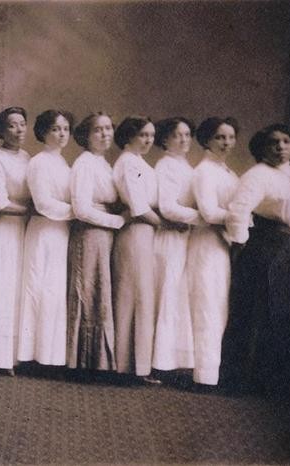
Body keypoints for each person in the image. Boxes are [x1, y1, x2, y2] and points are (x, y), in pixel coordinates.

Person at [223, 124, 290, 398]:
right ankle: (245, 379)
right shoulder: (257, 175)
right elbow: (237, 211)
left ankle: (279, 381)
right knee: (261, 312)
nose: (281, 147)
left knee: (285, 313)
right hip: (266, 248)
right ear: (261, 148)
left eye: (286, 141)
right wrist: (241, 247)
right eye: (273, 143)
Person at [67, 112, 124, 373]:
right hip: (90, 233)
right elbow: (81, 209)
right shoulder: (85, 163)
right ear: (86, 137)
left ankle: (99, 361)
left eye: (108, 128)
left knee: (101, 290)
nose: (105, 134)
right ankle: (83, 361)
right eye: (98, 130)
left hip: (104, 233)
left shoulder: (103, 163)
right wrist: (117, 222)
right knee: (87, 290)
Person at [18, 110, 75, 368]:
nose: (61, 134)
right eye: (55, 129)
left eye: (65, 128)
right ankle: (30, 355)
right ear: (42, 133)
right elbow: (43, 204)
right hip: (43, 232)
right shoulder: (39, 162)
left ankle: (49, 356)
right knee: (38, 288)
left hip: (60, 232)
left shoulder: (63, 163)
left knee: (53, 290)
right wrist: (79, 212)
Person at [187, 117, 240, 388]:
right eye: (220, 137)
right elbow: (208, 212)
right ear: (206, 140)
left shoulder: (228, 172)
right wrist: (240, 216)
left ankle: (215, 372)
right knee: (207, 306)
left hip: (223, 243)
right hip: (206, 244)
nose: (226, 143)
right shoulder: (204, 171)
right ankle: (204, 375)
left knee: (220, 306)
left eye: (230, 137)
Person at [0, 107, 31, 375]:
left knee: (20, 289)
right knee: (2, 288)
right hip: (5, 230)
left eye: (23, 124)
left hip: (25, 230)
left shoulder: (27, 157)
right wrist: (34, 210)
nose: (19, 130)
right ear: (1, 130)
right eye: (13, 125)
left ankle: (16, 355)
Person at [111, 116, 161, 383]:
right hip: (134, 234)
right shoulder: (128, 163)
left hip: (144, 233)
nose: (149, 140)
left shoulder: (140, 163)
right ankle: (124, 367)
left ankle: (138, 366)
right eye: (143, 135)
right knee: (130, 295)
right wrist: (165, 224)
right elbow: (139, 206)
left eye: (152, 135)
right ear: (129, 136)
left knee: (142, 296)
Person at [152, 117, 203, 373]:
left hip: (185, 238)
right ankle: (159, 363)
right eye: (177, 135)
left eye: (187, 134)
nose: (184, 140)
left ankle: (175, 361)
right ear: (164, 140)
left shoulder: (186, 166)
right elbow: (168, 207)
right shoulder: (166, 166)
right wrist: (201, 217)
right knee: (168, 295)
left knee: (179, 296)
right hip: (170, 240)